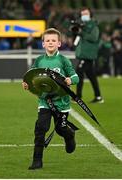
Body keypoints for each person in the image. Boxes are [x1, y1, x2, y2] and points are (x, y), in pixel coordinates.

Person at [22, 28, 79, 170]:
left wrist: (68, 80)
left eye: (53, 40)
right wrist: (26, 84)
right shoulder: (39, 60)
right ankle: (37, 161)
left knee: (61, 129)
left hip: (62, 103)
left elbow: (75, 77)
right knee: (41, 128)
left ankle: (69, 135)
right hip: (44, 102)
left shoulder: (63, 60)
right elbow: (31, 76)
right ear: (43, 44)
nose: (50, 42)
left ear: (59, 43)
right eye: (47, 40)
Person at [74, 7, 104, 103]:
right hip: (85, 54)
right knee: (91, 76)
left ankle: (78, 96)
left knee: (79, 71)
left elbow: (94, 38)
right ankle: (98, 96)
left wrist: (81, 32)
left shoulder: (94, 26)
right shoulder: (83, 25)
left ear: (90, 14)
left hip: (88, 54)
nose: (84, 16)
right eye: (82, 14)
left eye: (86, 13)